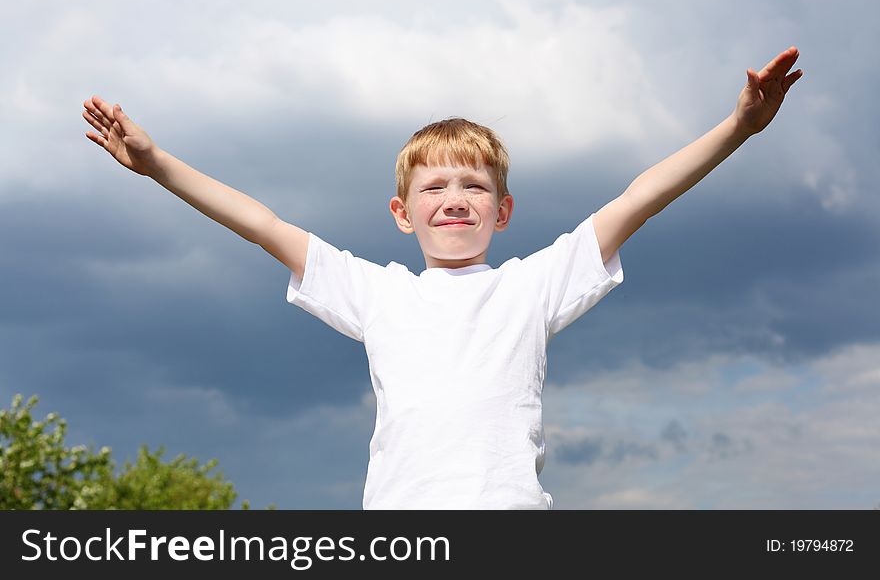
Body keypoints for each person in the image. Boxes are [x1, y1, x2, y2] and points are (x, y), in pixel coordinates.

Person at [83, 47, 803, 509]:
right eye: (433, 187)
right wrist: (158, 165)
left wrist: (737, 127)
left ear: (503, 209)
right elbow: (263, 223)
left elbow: (637, 200)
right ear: (402, 213)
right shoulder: (377, 291)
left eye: (473, 185)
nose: (454, 196)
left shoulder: (531, 284)